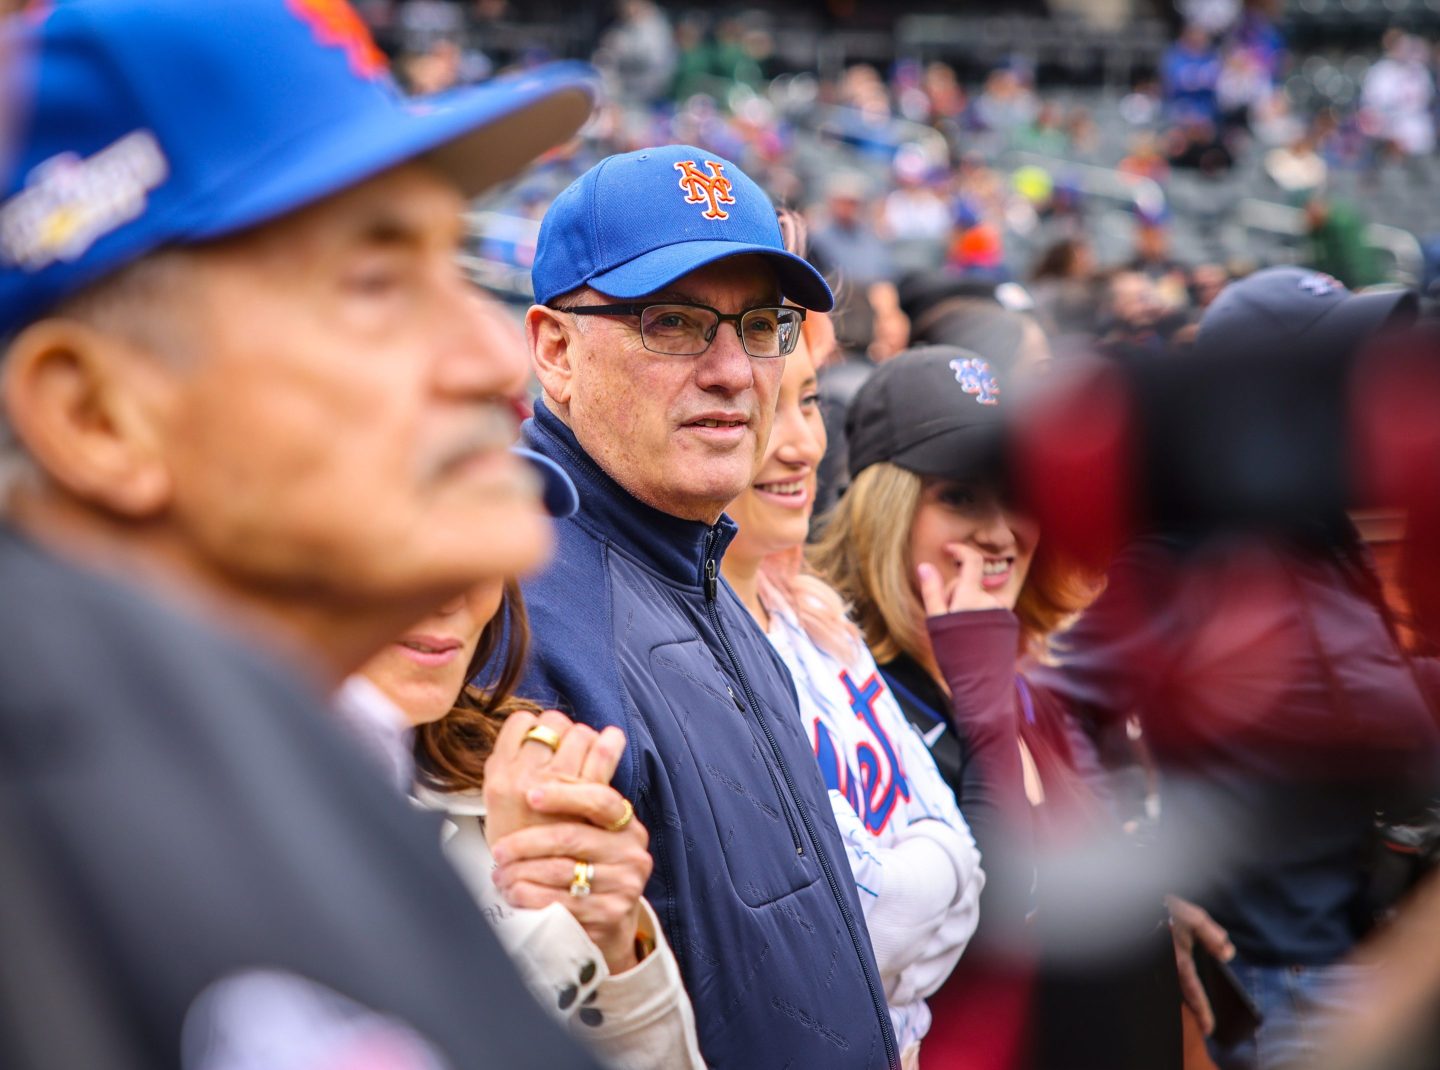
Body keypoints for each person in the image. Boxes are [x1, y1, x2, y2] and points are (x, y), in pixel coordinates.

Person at [0, 3, 605, 1067]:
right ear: (97, 416)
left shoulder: (303, 751)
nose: (494, 357)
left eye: (450, 262)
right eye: (375, 282)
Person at [517, 143, 900, 1067]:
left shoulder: (707, 574)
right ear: (556, 349)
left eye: (762, 323)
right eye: (676, 323)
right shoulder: (515, 618)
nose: (735, 370)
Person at [1029, 268, 1440, 1070]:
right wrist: (1144, 885)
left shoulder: (1324, 530)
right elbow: (1049, 712)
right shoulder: (1187, 552)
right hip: (1285, 983)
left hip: (1370, 957)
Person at [810, 347, 1188, 1069]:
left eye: (1016, 494)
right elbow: (981, 932)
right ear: (883, 510)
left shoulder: (1027, 671)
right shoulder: (842, 693)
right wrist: (983, 711)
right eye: (958, 497)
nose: (999, 530)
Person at [720, 279, 984, 1067]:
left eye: (808, 401)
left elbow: (965, 864)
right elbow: (844, 940)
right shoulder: (687, 649)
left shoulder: (815, 616)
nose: (802, 443)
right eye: (766, 406)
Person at [357, 563, 706, 1070]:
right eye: (389, 541)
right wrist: (549, 937)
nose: (451, 597)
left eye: (475, 543)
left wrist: (614, 943)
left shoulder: (507, 755)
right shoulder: (230, 816)